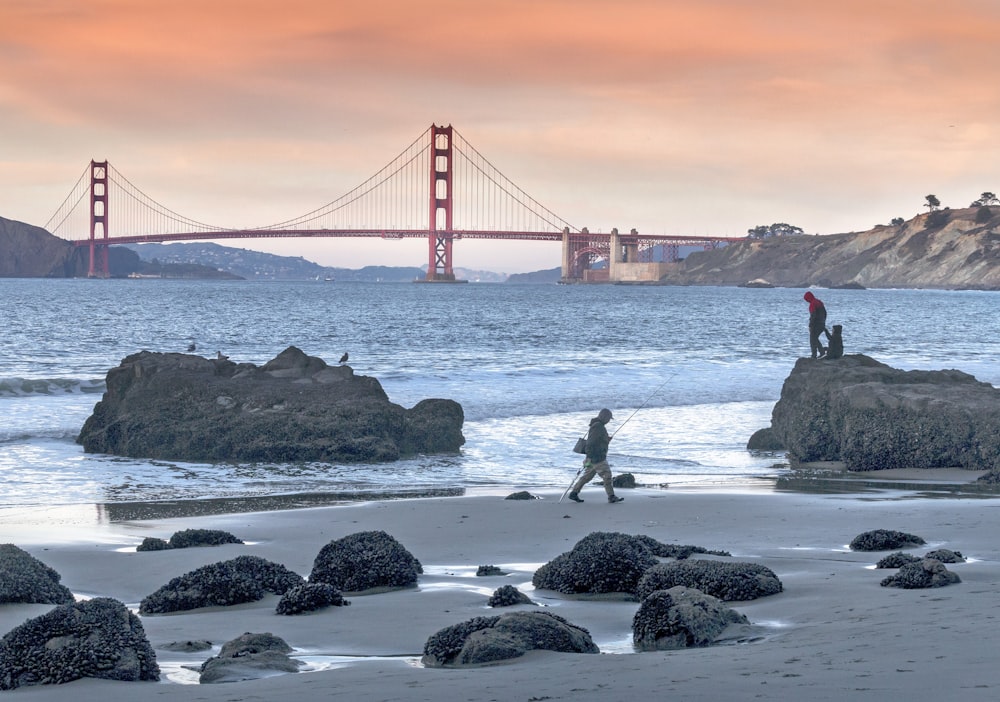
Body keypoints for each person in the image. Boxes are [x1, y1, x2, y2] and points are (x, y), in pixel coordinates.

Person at [568, 408, 624, 504]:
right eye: (608, 418)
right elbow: (591, 443)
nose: (609, 421)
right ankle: (611, 496)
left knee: (586, 477)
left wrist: (606, 440)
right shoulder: (598, 426)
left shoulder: (597, 425)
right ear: (604, 417)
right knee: (607, 476)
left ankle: (574, 493)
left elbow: (597, 440)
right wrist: (590, 456)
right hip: (597, 457)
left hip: (593, 457)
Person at [803, 291, 828, 359]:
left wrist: (810, 325)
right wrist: (823, 322)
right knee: (815, 338)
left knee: (812, 340)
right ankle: (822, 351)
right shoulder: (819, 302)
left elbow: (813, 315)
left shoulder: (812, 304)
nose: (806, 301)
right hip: (822, 324)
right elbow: (825, 313)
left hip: (816, 325)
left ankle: (814, 355)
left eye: (806, 299)